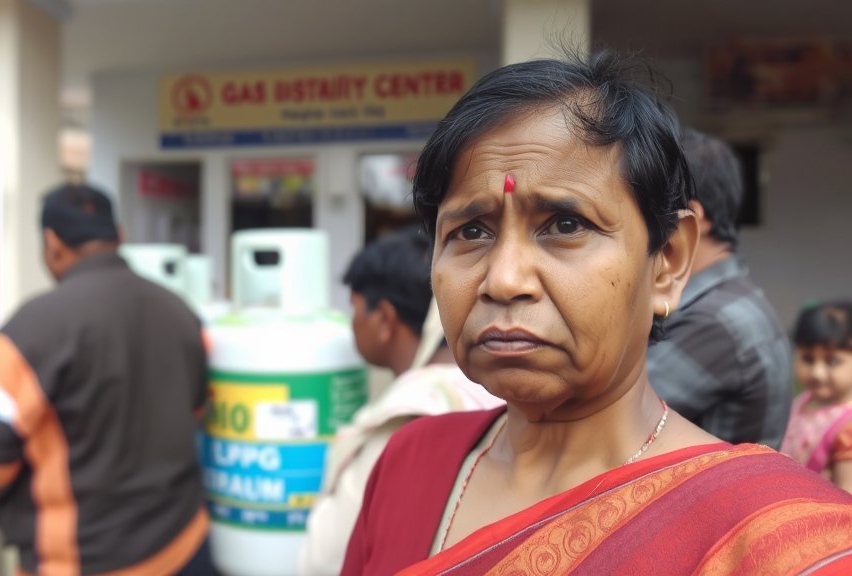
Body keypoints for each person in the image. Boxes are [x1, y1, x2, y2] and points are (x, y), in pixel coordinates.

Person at [340, 52, 852, 576]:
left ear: (668, 262)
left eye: (565, 224)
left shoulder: (775, 541)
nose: (505, 279)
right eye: (471, 232)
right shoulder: (410, 464)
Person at [0, 183, 213, 574]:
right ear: (120, 236)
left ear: (52, 242)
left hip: (85, 560)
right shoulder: (182, 312)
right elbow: (195, 409)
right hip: (185, 545)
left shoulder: (31, 329)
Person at [298, 226, 501, 576]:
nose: (352, 324)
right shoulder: (488, 387)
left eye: (356, 310)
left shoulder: (406, 419)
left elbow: (323, 561)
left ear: (384, 320)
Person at [647, 127, 792, 448]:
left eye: (648, 210)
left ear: (690, 221)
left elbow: (607, 419)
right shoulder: (730, 301)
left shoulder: (716, 321)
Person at [781, 300, 852, 492]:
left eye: (832, 361)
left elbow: (847, 496)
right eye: (808, 359)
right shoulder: (805, 400)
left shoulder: (848, 427)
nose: (817, 372)